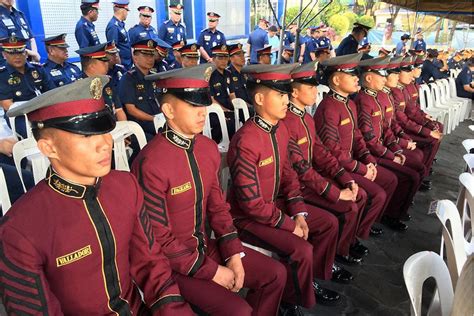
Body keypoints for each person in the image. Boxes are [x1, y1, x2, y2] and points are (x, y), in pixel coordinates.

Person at [1, 76, 194, 315]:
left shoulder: (125, 186)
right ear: (48, 148)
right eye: (86, 135)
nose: (105, 143)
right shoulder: (20, 229)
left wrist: (173, 310)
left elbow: (151, 263)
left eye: (104, 130)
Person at [132, 64, 287, 316]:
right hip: (172, 264)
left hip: (205, 247)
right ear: (168, 110)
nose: (202, 112)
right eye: (193, 105)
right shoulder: (150, 163)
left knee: (275, 274)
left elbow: (218, 208)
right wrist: (213, 271)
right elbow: (159, 240)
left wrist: (233, 252)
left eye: (203, 104)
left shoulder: (207, 148)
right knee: (238, 309)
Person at [228, 64, 343, 314]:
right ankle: (291, 301)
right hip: (245, 218)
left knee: (327, 222)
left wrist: (299, 213)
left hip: (273, 207)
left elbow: (289, 175)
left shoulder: (279, 130)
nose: (286, 99)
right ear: (259, 98)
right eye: (279, 94)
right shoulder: (246, 140)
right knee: (301, 249)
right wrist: (290, 224)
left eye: (286, 93)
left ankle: (303, 285)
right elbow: (251, 204)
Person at [284, 60, 373, 267]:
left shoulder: (306, 118)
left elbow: (320, 152)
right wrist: (334, 191)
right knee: (341, 212)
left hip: (308, 183)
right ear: (294, 93)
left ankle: (336, 253)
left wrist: (345, 177)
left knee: (355, 197)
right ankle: (325, 262)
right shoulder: (288, 120)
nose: (316, 91)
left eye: (316, 86)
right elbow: (300, 167)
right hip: (296, 188)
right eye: (310, 87)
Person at [315, 52, 397, 237]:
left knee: (389, 181)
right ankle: (353, 238)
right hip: (336, 168)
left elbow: (357, 135)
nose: (355, 78)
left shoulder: (349, 104)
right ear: (336, 79)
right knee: (375, 195)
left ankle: (358, 232)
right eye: (351, 74)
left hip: (351, 164)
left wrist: (368, 159)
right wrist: (360, 168)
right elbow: (332, 149)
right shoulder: (328, 107)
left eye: (355, 74)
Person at [355, 56, 422, 230]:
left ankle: (391, 213)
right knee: (403, 176)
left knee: (415, 169)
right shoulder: (363, 100)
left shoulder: (377, 97)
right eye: (382, 74)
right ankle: (386, 216)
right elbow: (366, 138)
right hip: (369, 154)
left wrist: (396, 147)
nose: (385, 78)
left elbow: (387, 127)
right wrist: (390, 155)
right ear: (369, 77)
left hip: (378, 150)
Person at [391, 56, 442, 179]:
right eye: (407, 71)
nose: (415, 71)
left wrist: (425, 119)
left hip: (401, 129)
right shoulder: (394, 91)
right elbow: (401, 119)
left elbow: (413, 109)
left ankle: (423, 170)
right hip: (400, 130)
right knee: (430, 139)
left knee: (437, 129)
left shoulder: (405, 88)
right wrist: (425, 130)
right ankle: (421, 172)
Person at [0, 36, 55, 139]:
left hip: (42, 110)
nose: (17, 57)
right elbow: (7, 105)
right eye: (12, 53)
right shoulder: (2, 75)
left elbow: (51, 93)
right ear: (4, 55)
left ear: (26, 53)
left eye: (20, 52)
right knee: (34, 134)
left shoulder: (38, 69)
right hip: (18, 115)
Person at [119, 38, 160, 140]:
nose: (150, 59)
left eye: (151, 55)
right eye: (145, 55)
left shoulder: (154, 77)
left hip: (157, 121)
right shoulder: (128, 78)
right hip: (139, 125)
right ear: (135, 58)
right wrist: (155, 119)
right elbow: (131, 110)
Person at [77, 43, 126, 122]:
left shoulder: (107, 82)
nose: (107, 64)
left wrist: (125, 130)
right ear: (92, 66)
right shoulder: (79, 87)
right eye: (103, 62)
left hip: (115, 128)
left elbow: (119, 110)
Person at [209, 44, 236, 141]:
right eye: (220, 58)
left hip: (229, 108)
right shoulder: (210, 76)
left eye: (226, 58)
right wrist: (224, 111)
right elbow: (212, 100)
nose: (224, 61)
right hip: (215, 110)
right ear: (213, 59)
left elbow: (232, 95)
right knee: (230, 123)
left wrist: (236, 108)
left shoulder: (228, 74)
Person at [0, 0, 39, 65]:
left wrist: (34, 55)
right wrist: (33, 53)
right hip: (10, 63)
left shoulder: (20, 14)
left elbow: (31, 38)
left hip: (28, 62)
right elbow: (5, 44)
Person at [106, 0, 132, 69]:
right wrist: (119, 67)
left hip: (127, 63)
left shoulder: (120, 24)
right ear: (122, 10)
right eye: (127, 11)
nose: (127, 13)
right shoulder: (113, 26)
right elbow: (113, 50)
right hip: (122, 65)